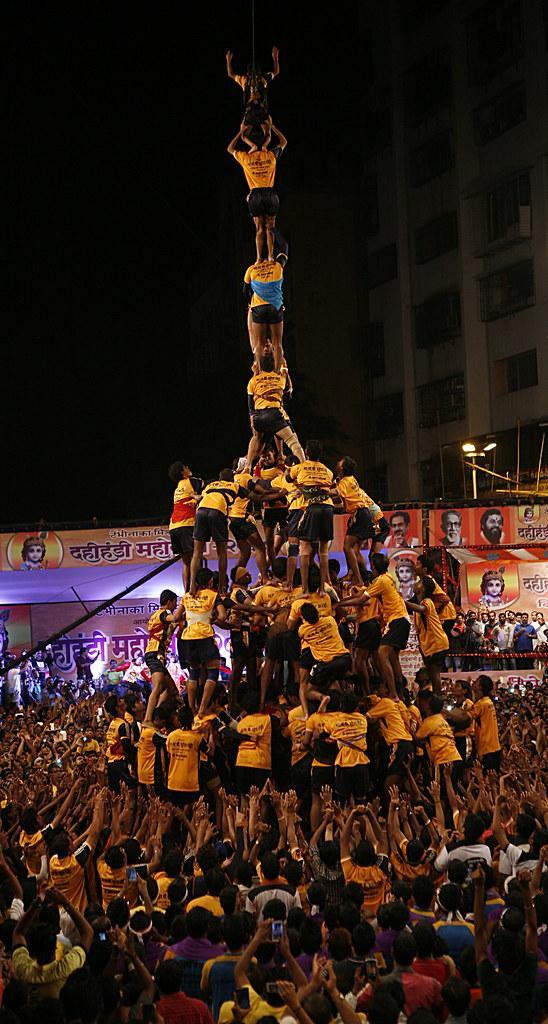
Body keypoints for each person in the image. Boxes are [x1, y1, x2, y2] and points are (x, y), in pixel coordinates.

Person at [227, 117, 287, 263]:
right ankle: (271, 256)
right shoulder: (270, 156)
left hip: (255, 194)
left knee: (259, 228)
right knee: (270, 227)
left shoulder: (246, 158)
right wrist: (272, 127)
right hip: (270, 193)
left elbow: (230, 148)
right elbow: (284, 142)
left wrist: (241, 132)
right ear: (265, 143)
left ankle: (259, 258)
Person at [190, 470, 250, 596]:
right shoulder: (234, 485)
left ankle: (191, 587)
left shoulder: (210, 485)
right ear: (232, 479)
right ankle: (222, 587)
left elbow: (199, 497)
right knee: (221, 552)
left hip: (200, 511)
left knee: (197, 553)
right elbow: (253, 495)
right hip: (217, 512)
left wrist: (193, 495)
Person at [245, 349, 305, 471]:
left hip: (258, 416)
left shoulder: (252, 381)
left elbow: (250, 405)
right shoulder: (280, 377)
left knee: (256, 438)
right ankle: (305, 467)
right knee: (293, 442)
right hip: (274, 413)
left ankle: (247, 465)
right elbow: (289, 390)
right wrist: (279, 354)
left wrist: (252, 420)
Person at [290, 440, 335, 595]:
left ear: (306, 452)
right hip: (328, 508)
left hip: (312, 508)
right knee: (323, 552)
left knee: (304, 549)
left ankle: (305, 590)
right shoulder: (328, 470)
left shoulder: (299, 467)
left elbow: (288, 478)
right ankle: (322, 589)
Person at [335, 457, 390, 583]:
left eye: (340, 462)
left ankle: (373, 579)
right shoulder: (352, 483)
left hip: (378, 522)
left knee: (371, 556)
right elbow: (344, 505)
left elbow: (340, 496)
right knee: (354, 550)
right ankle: (363, 576)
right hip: (368, 517)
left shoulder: (348, 484)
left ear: (343, 468)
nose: (338, 463)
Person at [179, 568, 226, 716]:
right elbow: (223, 616)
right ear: (210, 581)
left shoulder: (186, 596)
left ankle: (191, 708)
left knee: (193, 673)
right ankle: (202, 708)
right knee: (212, 672)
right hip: (204, 636)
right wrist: (211, 620)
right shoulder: (213, 595)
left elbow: (176, 617)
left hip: (188, 638)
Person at [144, 589, 185, 721]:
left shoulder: (156, 615)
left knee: (171, 688)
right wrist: (184, 604)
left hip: (155, 653)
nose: (176, 606)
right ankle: (148, 718)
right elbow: (175, 617)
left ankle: (157, 713)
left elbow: (174, 630)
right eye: (175, 603)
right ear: (169, 602)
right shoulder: (164, 613)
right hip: (155, 653)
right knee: (158, 686)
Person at [406, 577, 449, 695]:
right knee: (432, 673)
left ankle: (437, 699)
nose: (416, 583)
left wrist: (402, 601)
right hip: (429, 646)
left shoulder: (427, 602)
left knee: (435, 674)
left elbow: (421, 609)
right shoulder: (419, 603)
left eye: (419, 582)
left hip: (437, 643)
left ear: (423, 589)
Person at [244, 254, 286, 363]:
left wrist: (250, 311)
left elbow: (250, 329)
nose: (266, 347)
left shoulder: (256, 346)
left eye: (265, 349)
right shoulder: (273, 341)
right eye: (269, 349)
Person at [168, 461, 203, 591]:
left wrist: (195, 499)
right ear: (183, 472)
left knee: (186, 563)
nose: (189, 468)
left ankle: (186, 593)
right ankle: (196, 589)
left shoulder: (177, 488)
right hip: (186, 524)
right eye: (186, 467)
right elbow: (209, 486)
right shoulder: (191, 481)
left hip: (173, 527)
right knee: (195, 558)